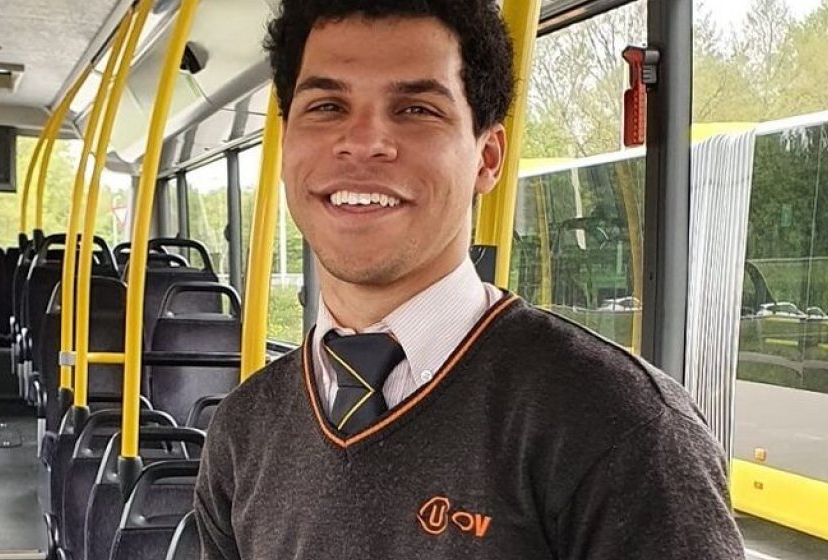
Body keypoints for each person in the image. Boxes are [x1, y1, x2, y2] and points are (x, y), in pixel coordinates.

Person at [194, 0, 745, 558]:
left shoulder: (620, 427)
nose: (362, 141)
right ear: (286, 144)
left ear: (488, 158)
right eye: (328, 106)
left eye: (415, 109)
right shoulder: (244, 431)